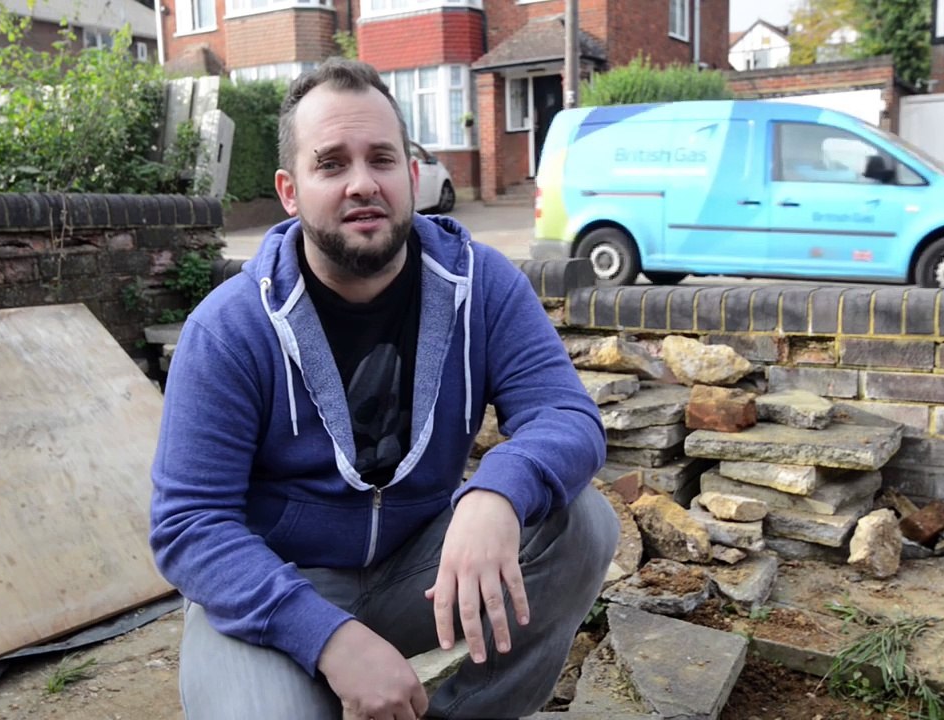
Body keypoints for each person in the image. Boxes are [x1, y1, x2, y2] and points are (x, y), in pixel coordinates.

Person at [149, 58, 618, 720]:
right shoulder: (229, 329)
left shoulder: (481, 286)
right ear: (290, 190)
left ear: (412, 173)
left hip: (417, 572)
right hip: (281, 587)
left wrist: (495, 496)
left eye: (382, 159)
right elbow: (188, 524)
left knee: (581, 522)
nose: (363, 183)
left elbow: (567, 415)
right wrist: (330, 639)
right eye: (332, 164)